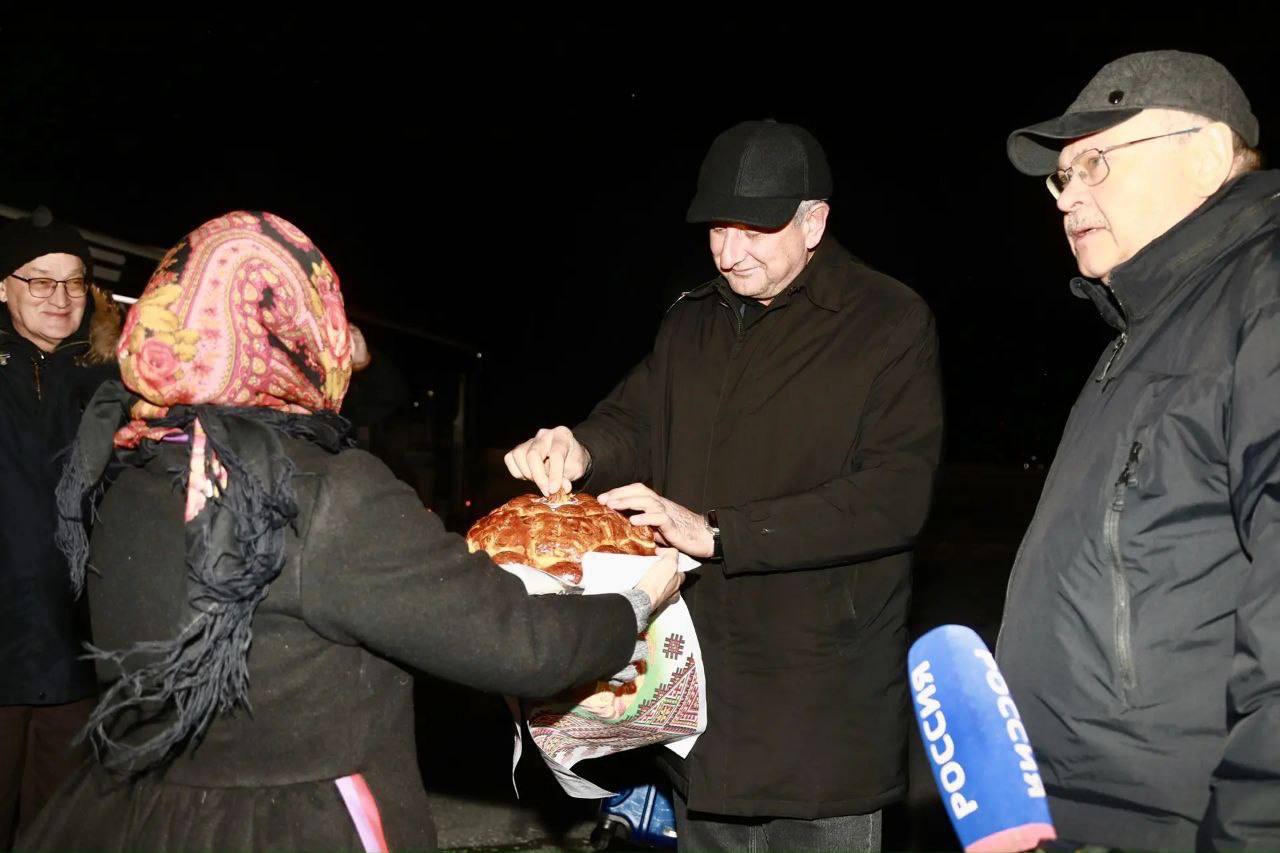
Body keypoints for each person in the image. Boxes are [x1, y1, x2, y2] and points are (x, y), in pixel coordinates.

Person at [18, 211, 680, 851]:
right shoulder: (324, 489)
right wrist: (637, 601)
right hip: (296, 824)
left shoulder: (129, 463)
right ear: (308, 330)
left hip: (136, 814)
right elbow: (521, 643)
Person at [507, 120, 943, 852]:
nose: (728, 252)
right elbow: (635, 421)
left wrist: (718, 532)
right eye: (717, 228)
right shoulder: (693, 319)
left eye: (754, 231)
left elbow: (895, 496)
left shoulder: (887, 322)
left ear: (814, 223)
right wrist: (580, 447)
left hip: (820, 704)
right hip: (705, 701)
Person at [999, 50, 1280, 849]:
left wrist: (1251, 829)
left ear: (1207, 154)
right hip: (1073, 812)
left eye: (1096, 162)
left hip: (1179, 821)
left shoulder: (1262, 293)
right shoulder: (1144, 328)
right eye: (1062, 177)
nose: (1068, 195)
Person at [0, 207, 121, 848]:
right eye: (40, 280)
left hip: (79, 653)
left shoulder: (113, 380)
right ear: (3, 286)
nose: (61, 296)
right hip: (4, 644)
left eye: (73, 281)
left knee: (58, 833)